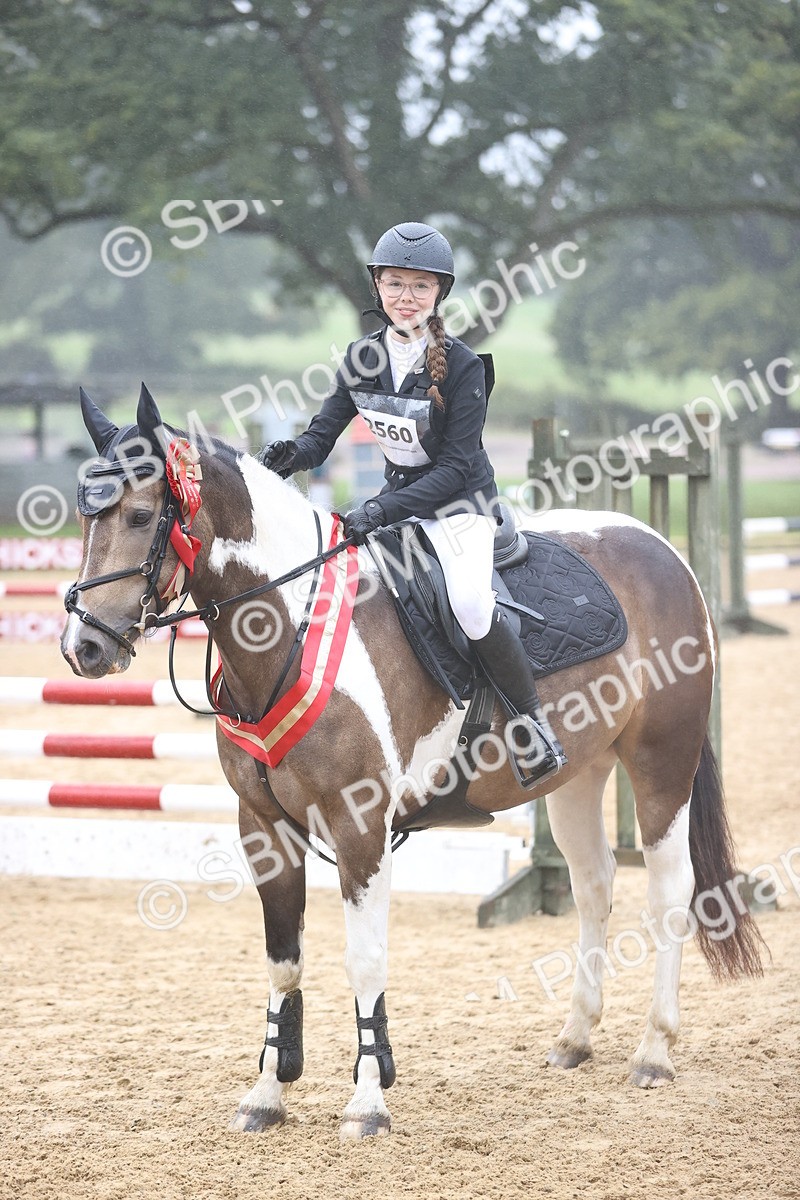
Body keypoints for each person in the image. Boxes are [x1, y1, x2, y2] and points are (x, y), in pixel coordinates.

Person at [260, 221, 566, 787]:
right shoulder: (360, 359)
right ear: (377, 287)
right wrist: (287, 456)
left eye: (420, 287)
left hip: (461, 505)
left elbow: (453, 468)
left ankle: (531, 725)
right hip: (399, 501)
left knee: (472, 605)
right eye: (396, 284)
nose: (407, 298)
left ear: (439, 295)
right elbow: (319, 439)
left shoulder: (465, 366)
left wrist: (380, 511)